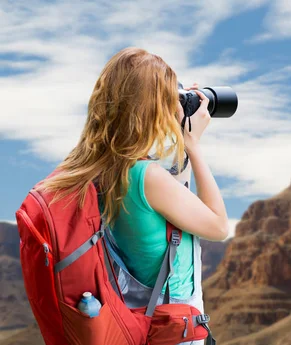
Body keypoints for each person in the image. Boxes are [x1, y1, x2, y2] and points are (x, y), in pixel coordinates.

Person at [38, 47, 229, 345]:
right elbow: (218, 226)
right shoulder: (148, 177)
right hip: (174, 329)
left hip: (136, 320)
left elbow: (173, 210)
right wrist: (193, 145)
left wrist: (179, 138)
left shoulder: (102, 170)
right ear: (151, 107)